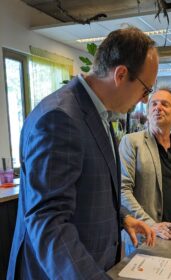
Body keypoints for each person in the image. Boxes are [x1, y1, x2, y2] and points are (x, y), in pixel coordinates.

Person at [7, 27, 158, 280]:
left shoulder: (99, 114)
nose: (144, 100)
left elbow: (86, 189)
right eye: (146, 89)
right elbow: (48, 223)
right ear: (121, 74)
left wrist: (122, 218)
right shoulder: (59, 118)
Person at [119, 87, 171, 255]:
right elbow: (123, 190)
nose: (158, 107)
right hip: (143, 236)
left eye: (165, 104)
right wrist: (151, 224)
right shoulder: (131, 142)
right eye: (153, 104)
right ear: (148, 112)